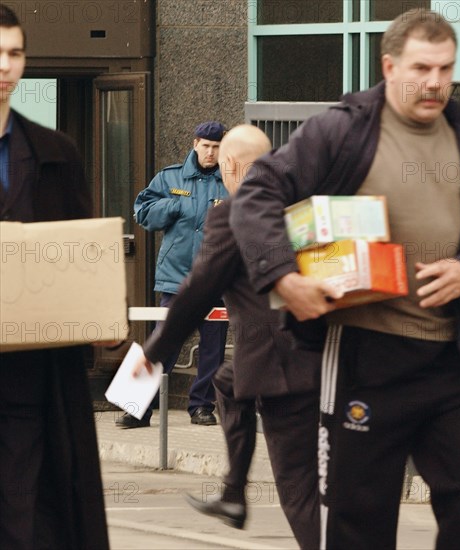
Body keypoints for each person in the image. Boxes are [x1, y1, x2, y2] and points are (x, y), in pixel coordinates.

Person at [230, 9, 460, 550]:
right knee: (359, 517)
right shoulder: (343, 131)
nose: (435, 82)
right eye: (421, 68)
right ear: (388, 65)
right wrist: (284, 276)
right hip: (366, 357)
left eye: (445, 69)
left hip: (455, 359)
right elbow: (259, 192)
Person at [133, 125, 321, 549]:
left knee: (297, 486)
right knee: (226, 381)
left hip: (282, 367)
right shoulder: (299, 205)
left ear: (229, 164)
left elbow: (198, 291)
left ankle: (243, 499)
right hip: (317, 351)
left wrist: (157, 351)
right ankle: (234, 493)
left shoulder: (235, 212)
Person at [0, 5, 109, 549]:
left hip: (32, 376)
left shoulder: (56, 154)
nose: (5, 66)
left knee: (29, 514)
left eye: (15, 53)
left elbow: (83, 258)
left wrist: (101, 317)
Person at [118, 121, 230, 428]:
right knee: (161, 342)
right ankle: (136, 406)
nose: (211, 152)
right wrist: (172, 206)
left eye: (217, 146)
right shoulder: (170, 177)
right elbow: (142, 212)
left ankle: (201, 406)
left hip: (217, 281)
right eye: (206, 145)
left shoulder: (233, 182)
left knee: (212, 349)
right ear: (195, 144)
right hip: (176, 278)